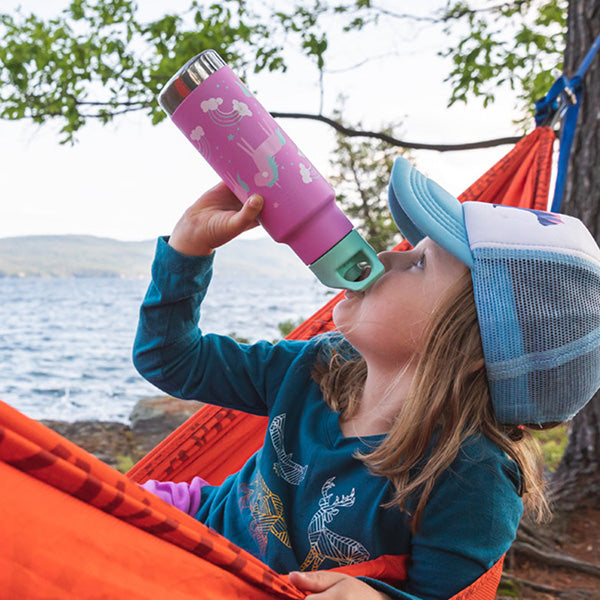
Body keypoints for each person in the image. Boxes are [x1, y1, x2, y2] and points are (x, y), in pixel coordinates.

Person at [133, 156, 600, 600]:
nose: (381, 259)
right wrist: (189, 249)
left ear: (473, 343)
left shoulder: (470, 474)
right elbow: (170, 359)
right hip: (188, 528)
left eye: (418, 263)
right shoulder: (319, 368)